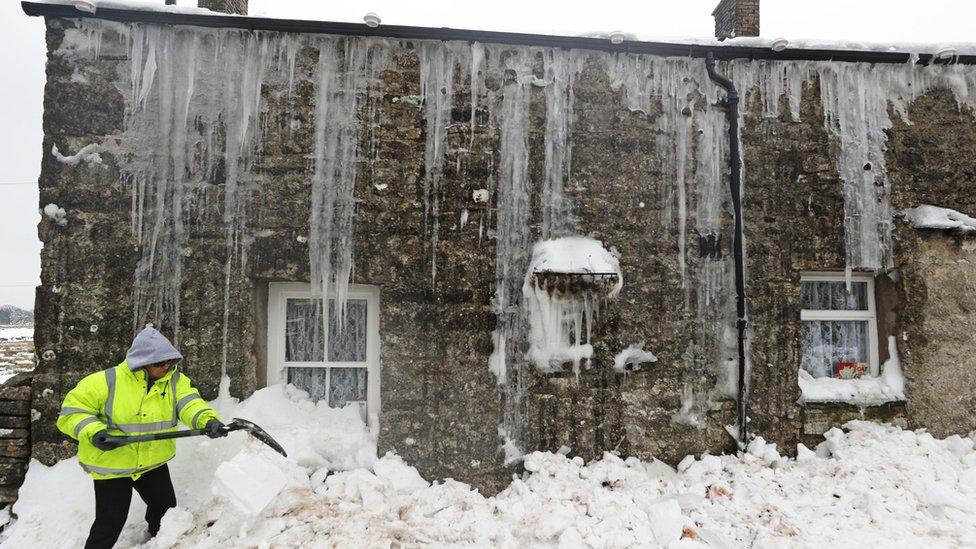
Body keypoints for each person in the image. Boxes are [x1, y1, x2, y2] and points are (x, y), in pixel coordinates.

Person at [57, 326, 228, 549]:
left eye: (169, 362)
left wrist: (207, 421)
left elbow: (189, 403)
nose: (166, 367)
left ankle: (159, 542)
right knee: (111, 522)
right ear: (141, 362)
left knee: (165, 509)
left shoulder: (175, 381)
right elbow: (72, 412)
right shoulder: (105, 381)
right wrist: (95, 432)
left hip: (151, 462)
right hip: (113, 465)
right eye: (159, 364)